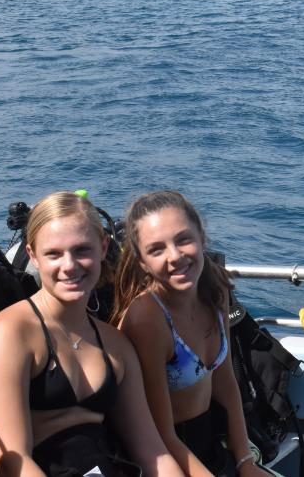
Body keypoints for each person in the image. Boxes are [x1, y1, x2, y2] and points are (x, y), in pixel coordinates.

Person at [0, 191, 184, 477]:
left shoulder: (115, 345)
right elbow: (13, 462)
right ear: (33, 256)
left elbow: (152, 453)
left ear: (103, 247)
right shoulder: (10, 335)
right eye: (54, 254)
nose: (69, 265)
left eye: (82, 250)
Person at [112, 191, 271, 477]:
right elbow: (161, 434)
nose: (175, 256)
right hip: (166, 454)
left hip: (211, 441)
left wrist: (245, 462)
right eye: (156, 249)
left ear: (202, 237)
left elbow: (225, 383)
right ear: (141, 261)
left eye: (183, 239)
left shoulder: (214, 288)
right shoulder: (148, 319)